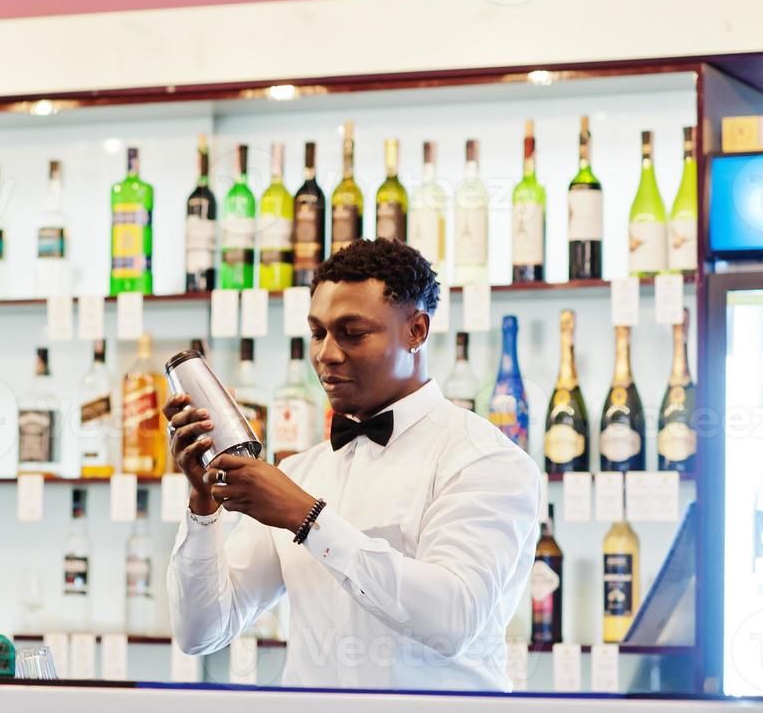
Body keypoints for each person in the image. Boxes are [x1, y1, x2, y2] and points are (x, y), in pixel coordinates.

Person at [164, 238, 542, 691]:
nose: (326, 354)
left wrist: (308, 520)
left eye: (353, 332)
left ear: (416, 331)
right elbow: (201, 632)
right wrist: (203, 505)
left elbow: (453, 619)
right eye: (318, 332)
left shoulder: (484, 459)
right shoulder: (301, 472)